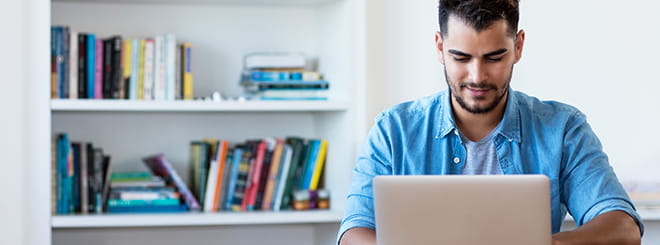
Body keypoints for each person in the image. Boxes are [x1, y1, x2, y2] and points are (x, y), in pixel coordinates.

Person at [338, 0, 643, 244]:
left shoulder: (563, 128)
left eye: (494, 58)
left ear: (518, 46)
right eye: (460, 57)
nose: (477, 76)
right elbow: (354, 231)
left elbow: (623, 227)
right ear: (439, 47)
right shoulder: (393, 130)